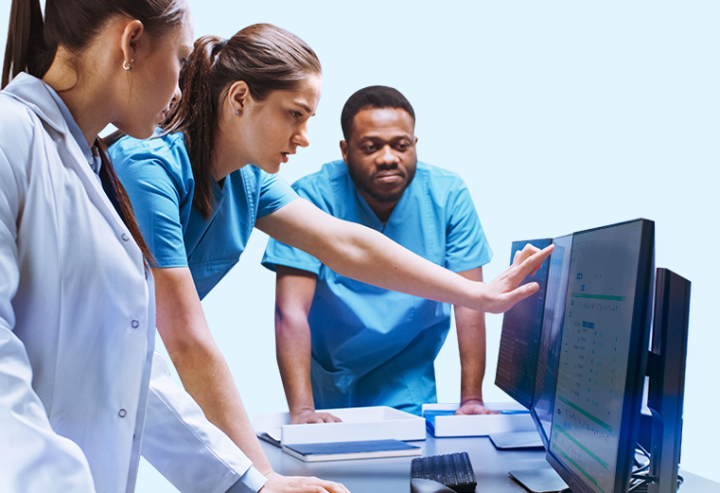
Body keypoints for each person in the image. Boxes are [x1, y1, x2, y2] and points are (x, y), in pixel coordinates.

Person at [109, 22, 552, 492]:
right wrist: (264, 479)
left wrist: (477, 294)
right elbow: (187, 337)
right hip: (85, 365)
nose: (302, 137)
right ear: (239, 99)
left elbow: (349, 244)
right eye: (294, 115)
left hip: (128, 368)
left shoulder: (248, 181)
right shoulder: (148, 168)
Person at [0, 2, 345, 492]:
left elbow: (138, 378)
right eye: (181, 61)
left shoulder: (93, 168)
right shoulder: (10, 136)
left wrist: (255, 484)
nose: (184, 87)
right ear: (131, 43)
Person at [262, 85, 496, 421]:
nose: (388, 157)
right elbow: (290, 311)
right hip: (331, 377)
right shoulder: (312, 196)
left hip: (406, 376)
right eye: (371, 147)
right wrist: (302, 409)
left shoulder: (448, 195)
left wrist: (472, 398)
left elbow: (471, 302)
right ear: (345, 151)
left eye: (401, 146)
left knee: (406, 468)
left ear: (415, 144)